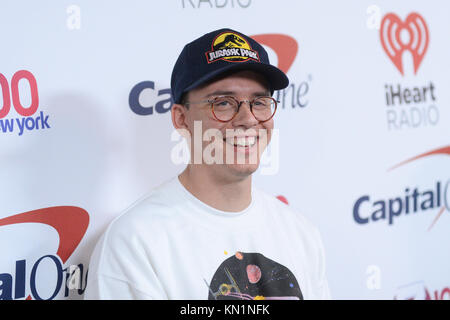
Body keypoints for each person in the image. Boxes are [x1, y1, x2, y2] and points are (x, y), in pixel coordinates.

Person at [84, 28, 331, 300]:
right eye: (223, 103)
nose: (248, 119)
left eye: (259, 101)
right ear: (181, 119)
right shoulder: (135, 242)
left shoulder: (301, 234)